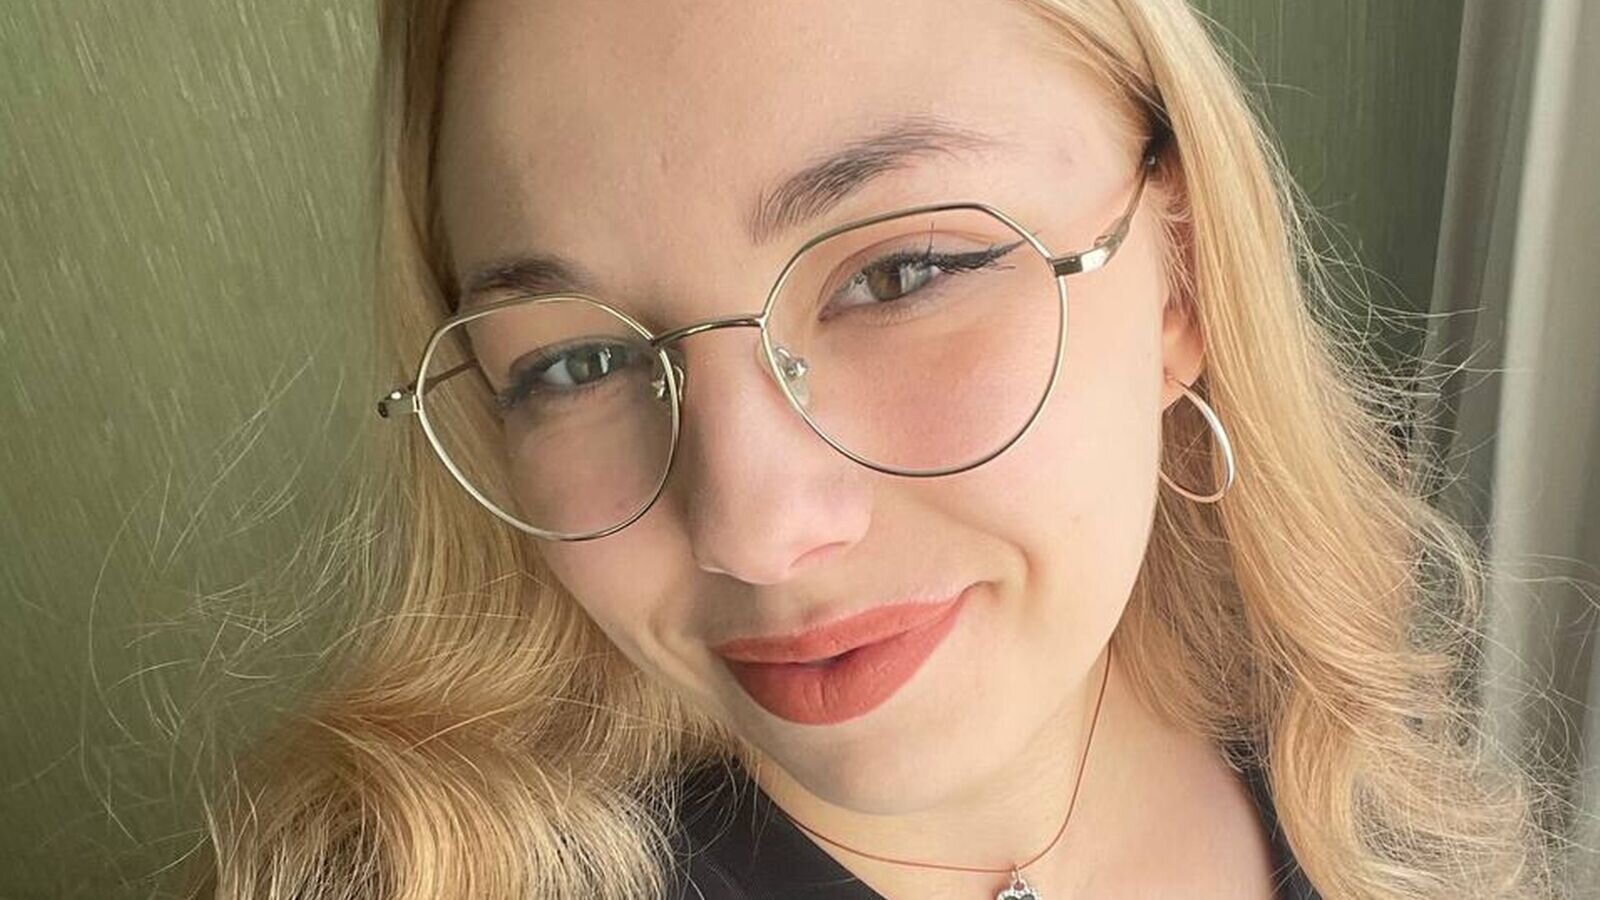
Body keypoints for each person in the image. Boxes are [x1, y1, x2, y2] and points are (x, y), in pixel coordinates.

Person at [195, 1, 1565, 898]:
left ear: (1182, 281)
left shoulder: (1332, 745)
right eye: (577, 363)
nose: (753, 529)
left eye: (901, 276)